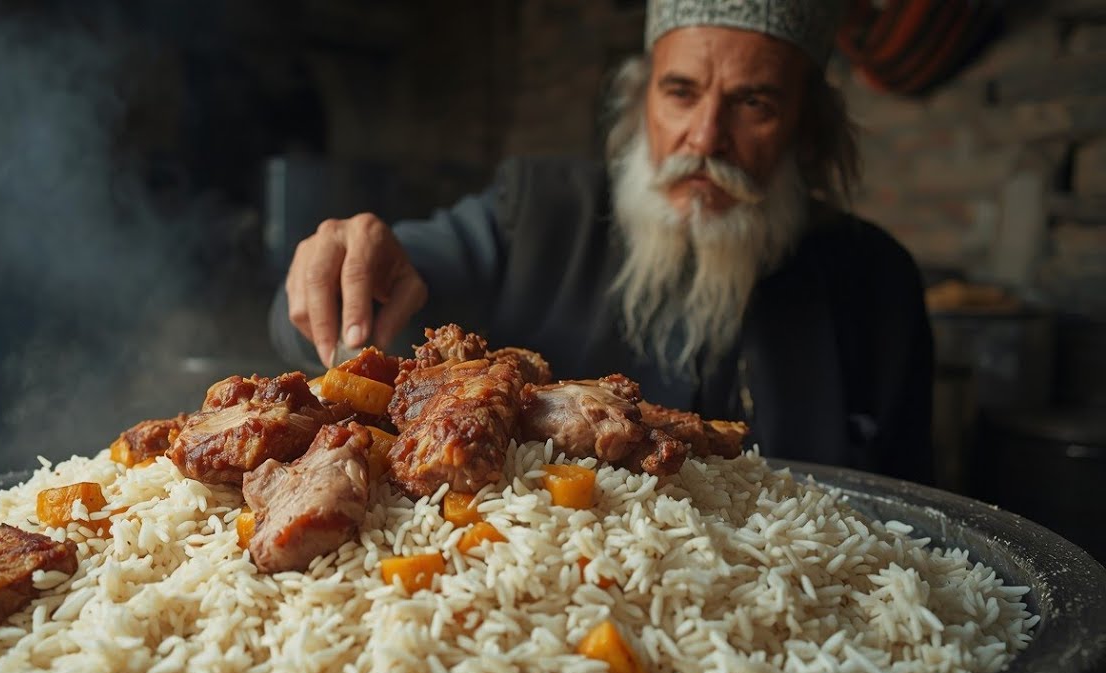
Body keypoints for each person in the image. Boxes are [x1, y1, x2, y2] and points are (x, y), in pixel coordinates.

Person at [269, 0, 934, 484]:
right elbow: (357, 305)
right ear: (640, 102)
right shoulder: (535, 211)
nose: (704, 139)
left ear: (808, 129)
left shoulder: (878, 282)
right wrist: (342, 271)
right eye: (681, 93)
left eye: (753, 103)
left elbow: (921, 505)